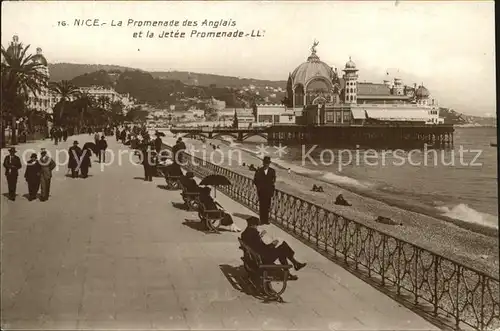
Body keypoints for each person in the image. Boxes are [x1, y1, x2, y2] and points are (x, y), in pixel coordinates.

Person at [241, 216, 306, 279]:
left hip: (256, 256)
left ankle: (295, 264)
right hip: (264, 258)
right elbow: (263, 249)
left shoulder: (244, 234)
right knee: (283, 247)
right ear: (253, 225)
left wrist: (260, 236)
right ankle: (294, 265)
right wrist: (272, 244)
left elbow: (255, 244)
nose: (256, 227)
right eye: (256, 225)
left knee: (282, 248)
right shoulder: (254, 233)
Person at [253, 156, 276, 225]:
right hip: (261, 191)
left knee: (267, 206)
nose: (266, 164)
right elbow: (255, 180)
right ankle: (262, 220)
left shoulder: (272, 171)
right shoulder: (259, 170)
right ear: (263, 163)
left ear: (269, 163)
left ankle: (266, 220)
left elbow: (273, 180)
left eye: (268, 163)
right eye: (265, 162)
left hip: (269, 191)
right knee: (262, 206)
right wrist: (259, 187)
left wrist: (272, 189)